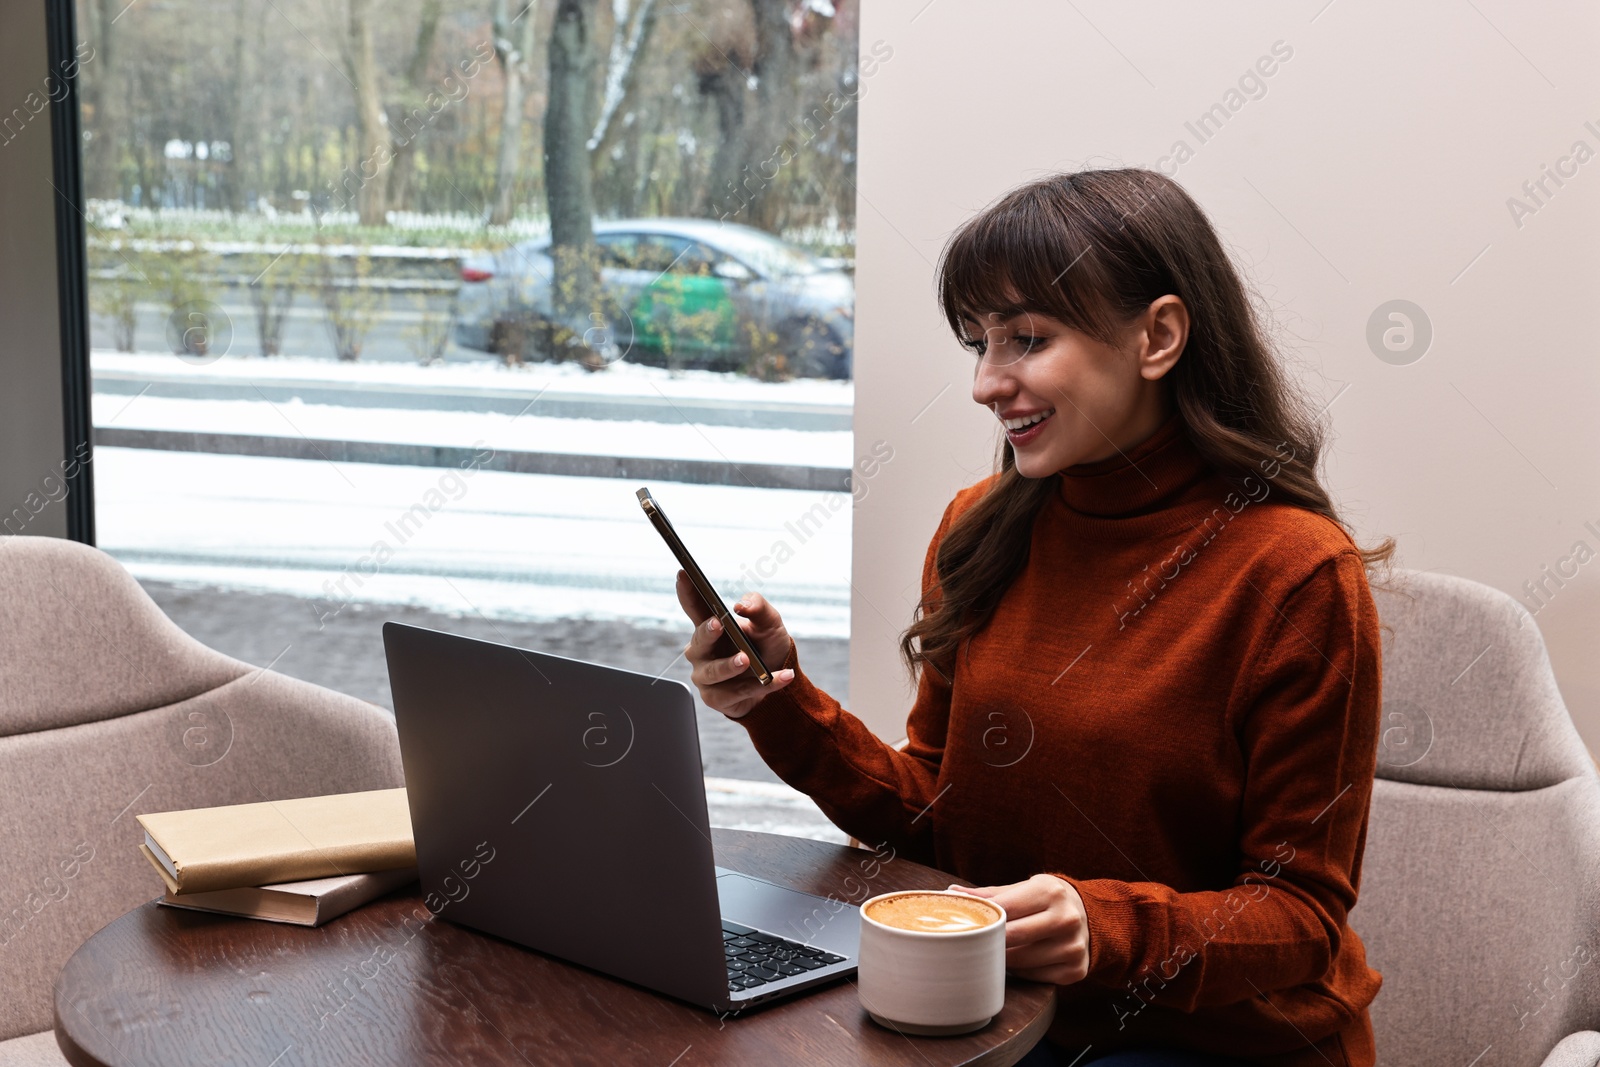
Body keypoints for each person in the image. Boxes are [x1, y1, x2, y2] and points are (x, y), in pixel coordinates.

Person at [675, 168, 1389, 1067]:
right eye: (978, 343)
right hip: (1003, 1019)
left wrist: (1106, 926)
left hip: (1215, 1043)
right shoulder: (980, 527)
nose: (985, 381)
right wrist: (779, 701)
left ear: (1158, 336)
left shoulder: (1295, 572)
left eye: (1026, 339)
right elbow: (935, 819)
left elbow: (1303, 917)